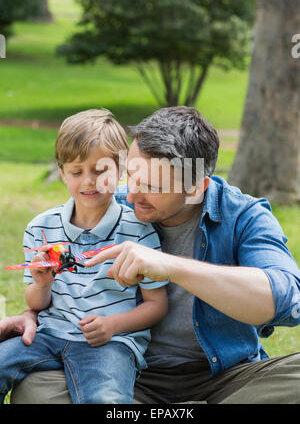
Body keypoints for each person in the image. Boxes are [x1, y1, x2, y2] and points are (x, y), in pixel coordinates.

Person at [2, 106, 300, 404]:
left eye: (151, 186)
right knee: (35, 391)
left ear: (196, 187)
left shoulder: (243, 216)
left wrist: (171, 267)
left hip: (226, 378)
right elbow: (65, 283)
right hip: (132, 375)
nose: (130, 195)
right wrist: (32, 313)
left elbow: (287, 300)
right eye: (130, 175)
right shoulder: (110, 205)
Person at [0, 109, 168, 404]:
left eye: (100, 170)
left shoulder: (139, 230)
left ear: (121, 169)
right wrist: (41, 284)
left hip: (111, 343)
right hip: (49, 335)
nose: (88, 181)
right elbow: (36, 304)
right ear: (62, 172)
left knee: (105, 400)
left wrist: (113, 326)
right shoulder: (41, 227)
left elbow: (157, 306)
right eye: (77, 172)